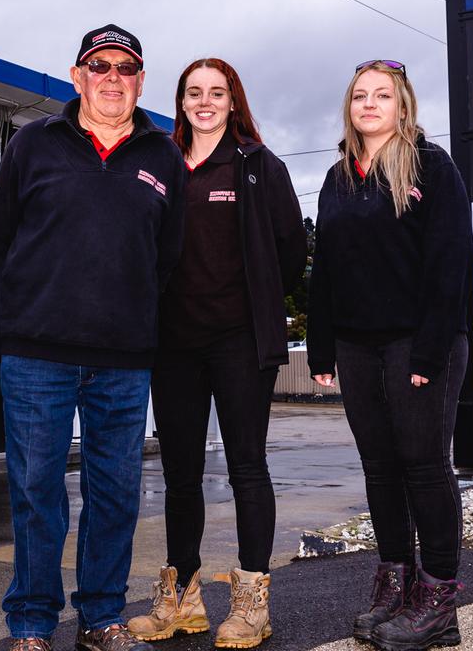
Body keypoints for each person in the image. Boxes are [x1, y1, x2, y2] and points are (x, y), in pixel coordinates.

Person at [0, 24, 186, 651]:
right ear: (77, 76)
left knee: (115, 494)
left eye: (124, 68)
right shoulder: (32, 143)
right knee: (36, 492)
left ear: (140, 82)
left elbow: (169, 256)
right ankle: (31, 625)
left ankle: (101, 618)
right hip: (36, 355)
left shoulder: (163, 155)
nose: (111, 77)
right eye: (98, 66)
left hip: (124, 361)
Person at [127, 59, 306, 649]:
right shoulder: (158, 163)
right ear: (179, 102)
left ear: (234, 102)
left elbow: (289, 253)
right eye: (193, 92)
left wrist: (248, 303)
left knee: (246, 467)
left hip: (239, 343)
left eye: (217, 93)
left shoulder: (259, 166)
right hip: (172, 344)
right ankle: (182, 601)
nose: (204, 102)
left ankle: (252, 602)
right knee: (180, 476)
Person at [306, 60, 472, 651]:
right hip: (356, 345)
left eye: (382, 95)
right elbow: (323, 269)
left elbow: (449, 264)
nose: (369, 104)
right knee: (379, 468)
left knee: (425, 466)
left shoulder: (433, 167)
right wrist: (322, 345)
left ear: (403, 105)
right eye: (359, 96)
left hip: (419, 343)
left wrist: (429, 351)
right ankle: (394, 587)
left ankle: (438, 602)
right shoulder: (336, 178)